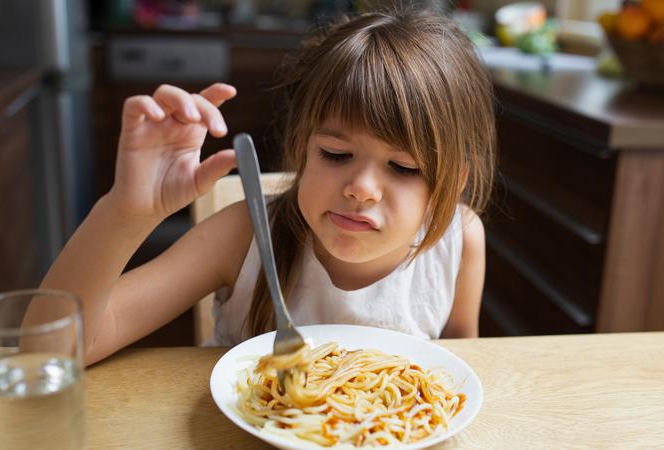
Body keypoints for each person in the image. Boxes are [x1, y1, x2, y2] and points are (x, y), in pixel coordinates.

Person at [41, 7, 496, 366]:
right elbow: (52, 351)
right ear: (301, 148)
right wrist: (125, 212)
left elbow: (458, 369)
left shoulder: (458, 241)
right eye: (336, 154)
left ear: (451, 183)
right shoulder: (243, 237)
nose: (361, 189)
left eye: (403, 167)